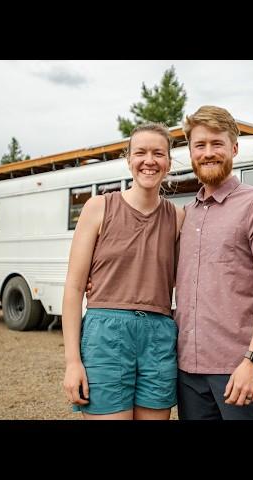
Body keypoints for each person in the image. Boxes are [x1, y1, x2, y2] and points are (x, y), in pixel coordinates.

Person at [62, 122, 185, 420]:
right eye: (140, 152)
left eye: (158, 153)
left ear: (168, 162)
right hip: (106, 332)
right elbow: (74, 287)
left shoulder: (178, 218)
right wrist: (72, 362)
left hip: (158, 334)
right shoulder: (98, 208)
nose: (149, 160)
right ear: (128, 159)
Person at [175, 105, 253, 420]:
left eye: (217, 143)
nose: (208, 152)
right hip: (189, 372)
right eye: (200, 145)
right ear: (191, 152)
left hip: (239, 369)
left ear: (233, 148)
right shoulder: (188, 214)